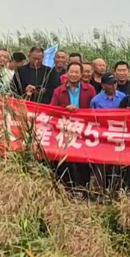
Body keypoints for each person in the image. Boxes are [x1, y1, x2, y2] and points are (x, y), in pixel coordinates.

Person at [49, 62, 95, 190]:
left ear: (81, 74)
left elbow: (94, 109)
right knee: (66, 160)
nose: (74, 75)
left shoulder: (89, 89)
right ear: (67, 73)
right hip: (65, 131)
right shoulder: (59, 91)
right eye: (71, 72)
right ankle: (67, 189)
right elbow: (52, 110)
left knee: (83, 161)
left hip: (83, 130)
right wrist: (65, 108)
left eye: (77, 72)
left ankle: (84, 189)